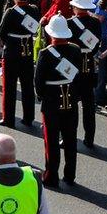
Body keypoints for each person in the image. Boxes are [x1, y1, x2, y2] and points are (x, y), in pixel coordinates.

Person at [36, 15, 83, 187]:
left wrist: (43, 96)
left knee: (52, 141)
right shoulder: (75, 49)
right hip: (70, 97)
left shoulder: (46, 53)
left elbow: (39, 81)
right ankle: (70, 175)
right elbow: (78, 77)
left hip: (52, 100)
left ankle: (51, 176)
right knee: (70, 139)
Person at [0, 0, 40, 128]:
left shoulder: (11, 11)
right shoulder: (34, 10)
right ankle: (28, 117)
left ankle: (8, 117)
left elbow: (2, 32)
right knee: (27, 85)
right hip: (27, 50)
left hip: (12, 51)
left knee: (9, 86)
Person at [67, 0, 102, 148]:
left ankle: (68, 137)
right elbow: (96, 47)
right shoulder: (95, 23)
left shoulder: (69, 23)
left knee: (71, 105)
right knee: (88, 105)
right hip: (88, 65)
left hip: (72, 66)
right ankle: (90, 138)